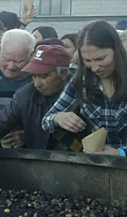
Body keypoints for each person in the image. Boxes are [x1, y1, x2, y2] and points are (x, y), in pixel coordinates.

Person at [0, 45, 73, 194]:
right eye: (34, 76)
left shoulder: (86, 93)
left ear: (63, 74)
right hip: (44, 173)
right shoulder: (26, 96)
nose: (37, 83)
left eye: (44, 76)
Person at [42, 20, 127, 155]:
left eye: (100, 59)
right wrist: (59, 118)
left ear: (116, 50)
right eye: (87, 60)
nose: (95, 67)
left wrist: (120, 153)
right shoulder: (81, 81)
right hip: (95, 167)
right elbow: (46, 121)